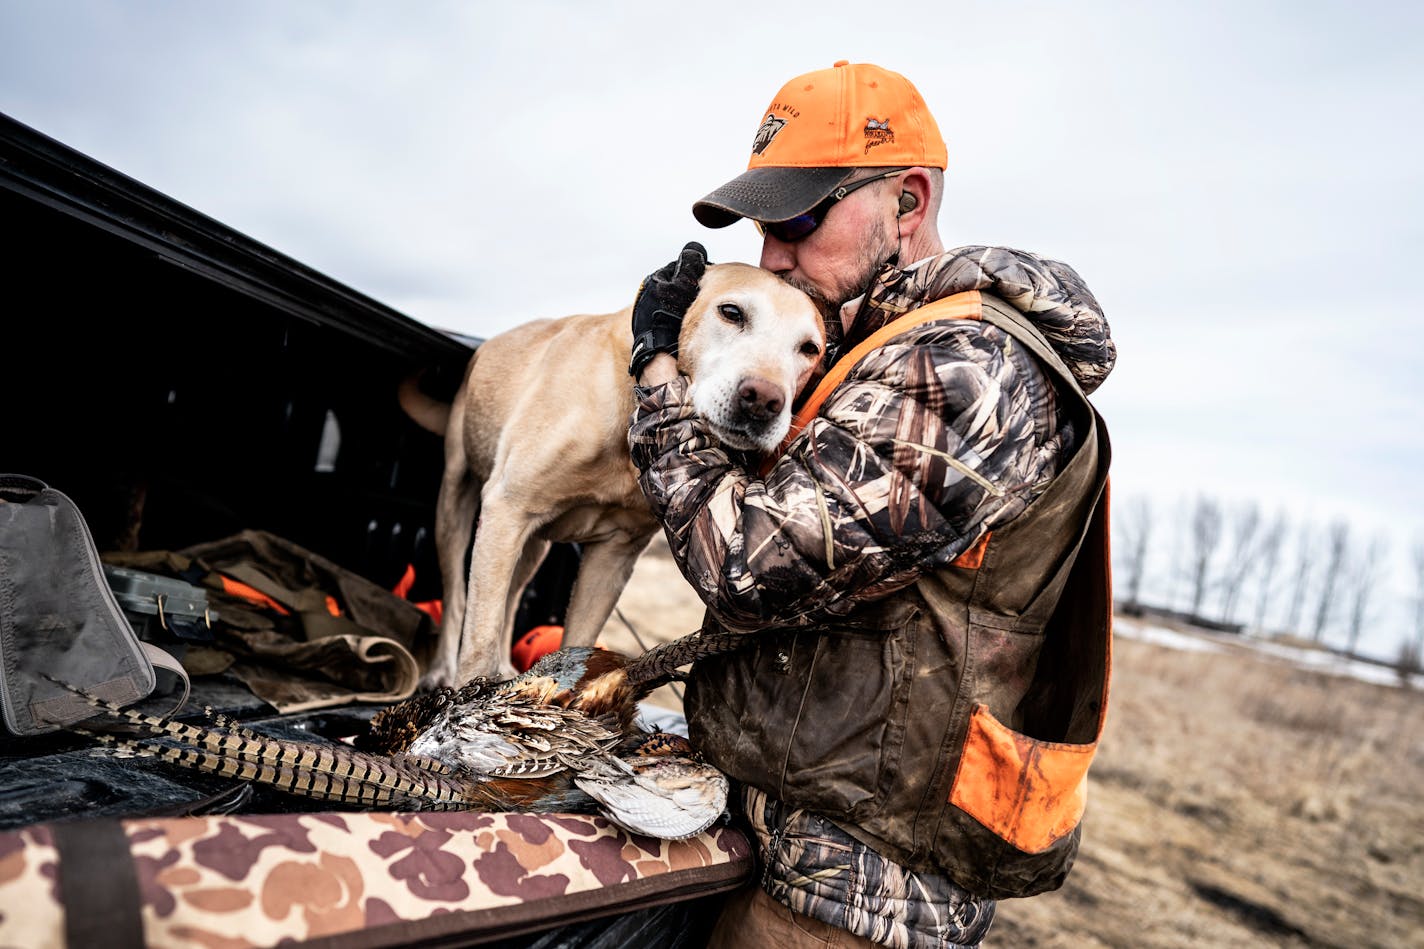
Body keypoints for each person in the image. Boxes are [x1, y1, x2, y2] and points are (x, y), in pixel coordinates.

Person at [625, 60, 1116, 948]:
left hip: (858, 892)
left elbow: (748, 564)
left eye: (802, 217)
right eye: (762, 226)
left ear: (909, 201)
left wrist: (660, 372)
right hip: (792, 839)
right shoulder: (882, 352)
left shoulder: (965, 363)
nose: (774, 252)